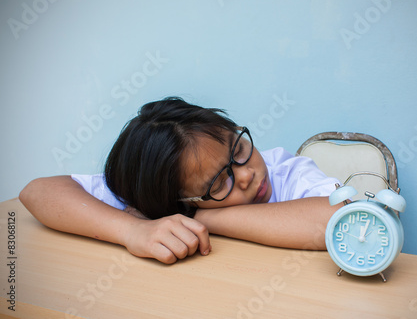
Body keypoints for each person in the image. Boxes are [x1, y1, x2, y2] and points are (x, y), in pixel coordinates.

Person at [20, 97, 344, 265]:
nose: (246, 175)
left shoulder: (284, 172)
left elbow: (339, 218)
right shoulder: (155, 190)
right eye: (218, 184)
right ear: (177, 199)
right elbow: (38, 191)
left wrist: (202, 216)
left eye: (240, 148)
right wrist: (132, 230)